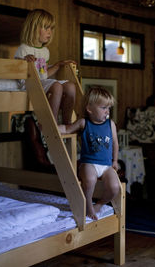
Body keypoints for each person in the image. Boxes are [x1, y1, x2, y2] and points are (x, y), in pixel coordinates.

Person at [59, 86, 120, 220]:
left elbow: (115, 143)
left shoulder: (111, 124)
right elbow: (68, 129)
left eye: (108, 108)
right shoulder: (83, 122)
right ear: (90, 109)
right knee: (90, 180)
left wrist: (115, 161)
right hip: (89, 164)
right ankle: (88, 205)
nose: (107, 112)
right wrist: (53, 128)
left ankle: (99, 203)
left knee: (115, 187)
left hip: (106, 165)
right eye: (103, 108)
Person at [15, 8, 76, 125]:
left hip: (40, 82)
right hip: (28, 83)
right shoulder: (23, 48)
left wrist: (58, 65)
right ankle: (50, 123)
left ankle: (67, 123)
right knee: (57, 86)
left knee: (71, 87)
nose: (50, 32)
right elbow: (17, 70)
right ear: (33, 28)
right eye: (46, 27)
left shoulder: (45, 51)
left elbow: (43, 74)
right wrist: (24, 60)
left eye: (51, 28)